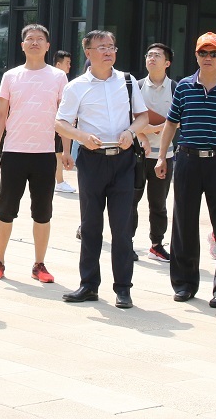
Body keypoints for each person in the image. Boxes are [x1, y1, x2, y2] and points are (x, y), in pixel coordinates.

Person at [55, 30, 148, 309]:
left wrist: (131, 132)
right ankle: (88, 285)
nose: (108, 52)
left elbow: (143, 116)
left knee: (122, 228)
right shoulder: (76, 86)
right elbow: (61, 122)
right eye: (102, 47)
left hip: (123, 160)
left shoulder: (127, 81)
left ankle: (123, 289)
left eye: (111, 47)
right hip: (92, 160)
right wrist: (82, 137)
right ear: (88, 53)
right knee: (91, 226)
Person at [157, 32, 216, 306]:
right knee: (184, 223)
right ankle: (184, 284)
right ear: (196, 55)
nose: (208, 58)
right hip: (188, 160)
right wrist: (161, 157)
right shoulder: (184, 87)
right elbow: (171, 123)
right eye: (203, 53)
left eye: (213, 53)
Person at [0, 24, 68, 284]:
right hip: (14, 152)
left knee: (42, 213)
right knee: (5, 210)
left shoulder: (58, 77)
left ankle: (39, 264)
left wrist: (66, 150)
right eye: (29, 39)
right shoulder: (11, 76)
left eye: (40, 39)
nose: (34, 42)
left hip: (45, 154)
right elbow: (1, 114)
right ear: (22, 45)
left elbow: (64, 116)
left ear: (47, 46)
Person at [135, 43, 175, 263]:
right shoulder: (137, 86)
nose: (151, 58)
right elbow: (128, 116)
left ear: (167, 63)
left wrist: (154, 128)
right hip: (138, 154)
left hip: (164, 156)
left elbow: (180, 120)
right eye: (149, 55)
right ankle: (127, 242)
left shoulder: (176, 88)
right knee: (130, 201)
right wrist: (145, 133)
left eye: (157, 55)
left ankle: (157, 245)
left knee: (158, 204)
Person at [53, 51, 77, 195]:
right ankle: (60, 182)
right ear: (58, 64)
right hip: (57, 124)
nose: (69, 66)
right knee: (58, 153)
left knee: (56, 152)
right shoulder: (60, 79)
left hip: (54, 123)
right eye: (67, 63)